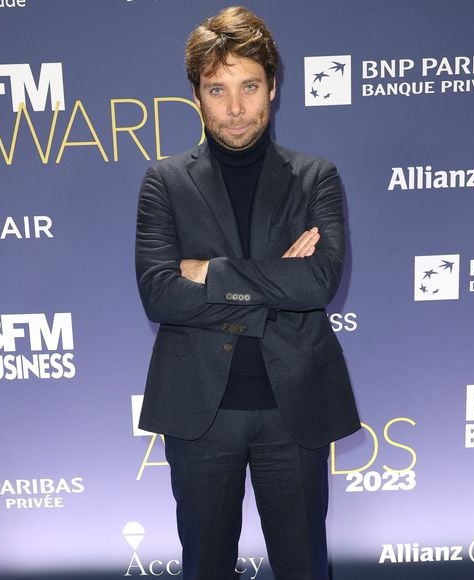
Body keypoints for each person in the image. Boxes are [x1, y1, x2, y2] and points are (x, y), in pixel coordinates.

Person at [135, 6, 360, 579]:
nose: (235, 109)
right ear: (197, 94)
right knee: (205, 567)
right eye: (218, 89)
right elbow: (160, 293)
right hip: (200, 411)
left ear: (273, 87)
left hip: (295, 409)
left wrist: (207, 272)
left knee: (303, 566)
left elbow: (317, 280)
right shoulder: (165, 181)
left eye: (249, 87)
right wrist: (270, 277)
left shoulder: (316, 177)